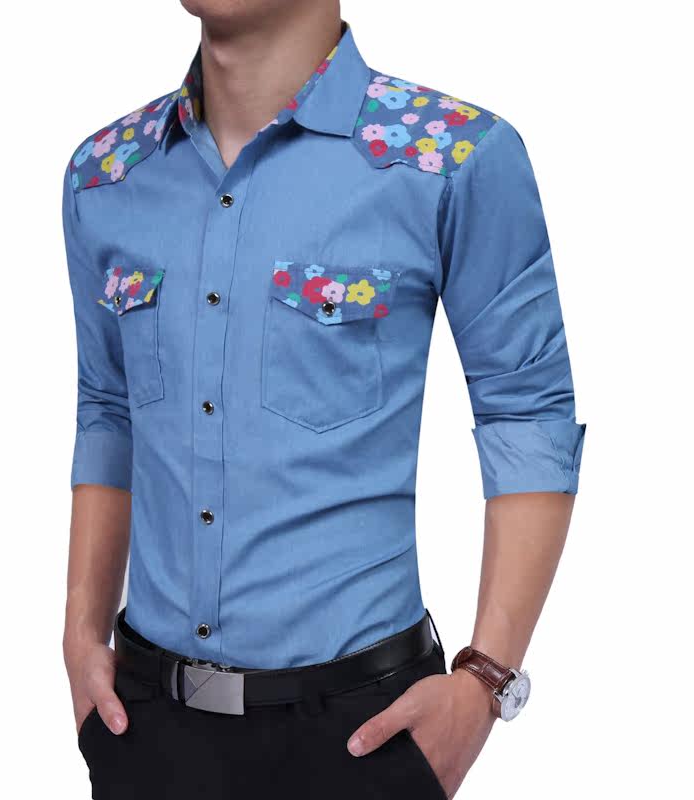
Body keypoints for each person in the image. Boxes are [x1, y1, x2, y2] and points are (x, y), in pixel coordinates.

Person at [62, 1, 585, 797]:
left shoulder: (451, 155)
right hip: (146, 725)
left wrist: (484, 680)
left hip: (363, 732)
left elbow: (528, 413)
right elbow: (107, 407)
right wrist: (80, 633)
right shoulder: (108, 172)